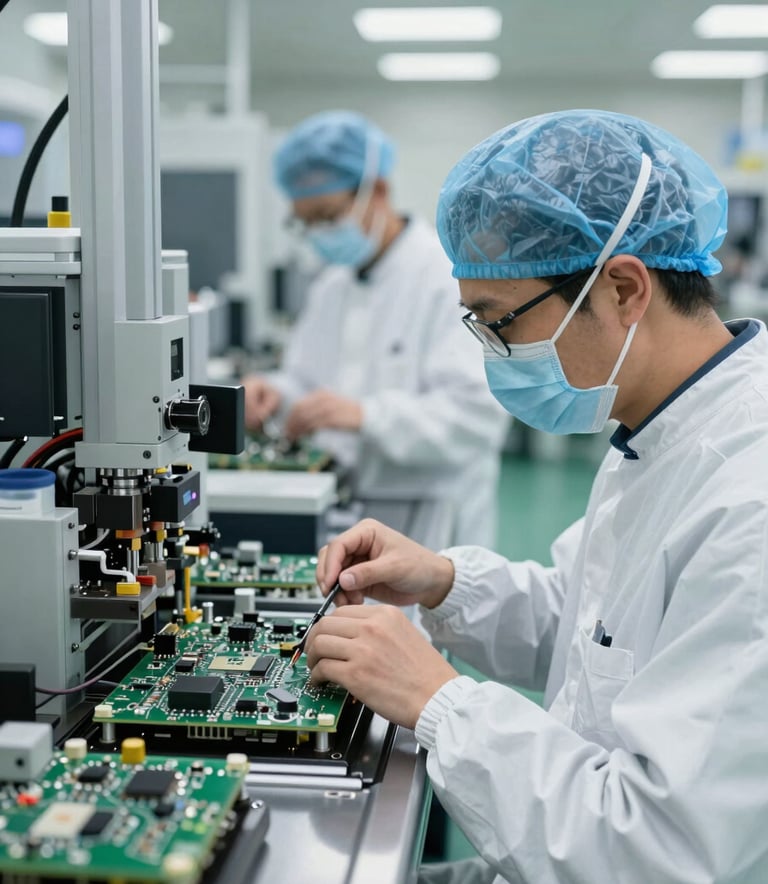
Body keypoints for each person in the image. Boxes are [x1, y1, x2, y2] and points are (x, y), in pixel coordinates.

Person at [303, 109, 768, 884]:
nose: (492, 354)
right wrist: (447, 583)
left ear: (623, 288)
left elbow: (662, 852)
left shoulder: (747, 502)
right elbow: (598, 633)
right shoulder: (660, 426)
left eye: (498, 322)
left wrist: (438, 701)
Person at [243, 111, 508, 550]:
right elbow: (308, 382)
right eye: (304, 222)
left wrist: (367, 416)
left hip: (432, 521)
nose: (317, 234)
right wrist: (271, 391)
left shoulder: (445, 278)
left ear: (378, 191)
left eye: (327, 216)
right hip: (346, 506)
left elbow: (476, 417)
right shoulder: (332, 284)